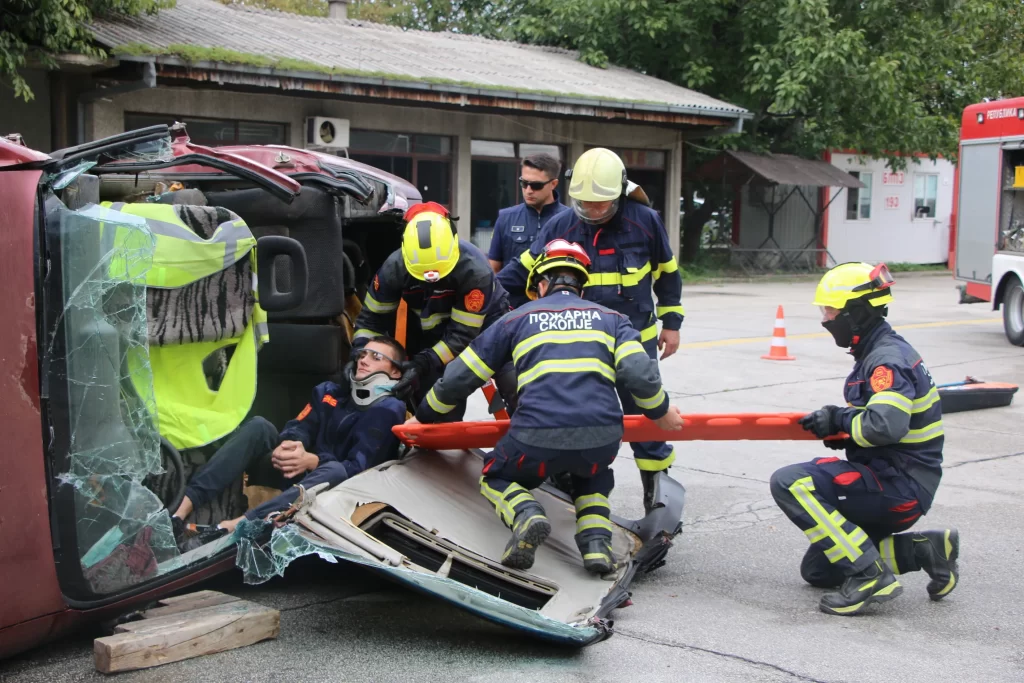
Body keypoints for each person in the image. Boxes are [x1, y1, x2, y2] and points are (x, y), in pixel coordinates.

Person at [410, 239, 684, 574]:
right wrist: (663, 413)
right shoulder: (613, 319)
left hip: (536, 434)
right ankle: (597, 547)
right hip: (602, 436)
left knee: (496, 476)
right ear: (581, 287)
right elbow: (640, 375)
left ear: (540, 284)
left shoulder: (516, 320)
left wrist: (422, 419)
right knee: (593, 476)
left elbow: (458, 378)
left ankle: (526, 514)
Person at [497, 148, 684, 512]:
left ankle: (657, 497)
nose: (592, 211)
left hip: (634, 345)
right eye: (584, 203)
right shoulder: (560, 226)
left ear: (617, 194)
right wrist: (479, 291)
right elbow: (522, 272)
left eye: (600, 204)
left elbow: (667, 273)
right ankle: (569, 496)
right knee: (571, 419)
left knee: (646, 419)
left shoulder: (645, 221)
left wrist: (672, 324)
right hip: (578, 347)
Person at [769, 262, 959, 616]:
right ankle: (927, 550)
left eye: (830, 310)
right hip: (898, 476)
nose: (825, 319)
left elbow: (886, 426)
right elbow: (885, 427)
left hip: (900, 485)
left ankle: (871, 576)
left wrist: (839, 419)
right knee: (819, 571)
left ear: (855, 312)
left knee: (789, 482)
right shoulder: (877, 351)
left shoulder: (886, 361)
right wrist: (844, 436)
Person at [172, 337, 408, 551]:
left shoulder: (388, 410)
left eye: (376, 357)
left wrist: (313, 461)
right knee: (260, 426)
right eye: (362, 355)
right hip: (297, 475)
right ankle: (178, 514)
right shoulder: (329, 392)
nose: (364, 360)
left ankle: (232, 527)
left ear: (395, 372)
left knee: (335, 470)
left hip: (332, 493)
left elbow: (359, 471)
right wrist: (291, 446)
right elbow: (299, 425)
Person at [353, 201, 517, 419]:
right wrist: (359, 356)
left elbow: (462, 336)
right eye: (423, 277)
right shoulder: (394, 268)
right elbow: (371, 321)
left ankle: (528, 437)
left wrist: (422, 363)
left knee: (515, 382)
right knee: (435, 405)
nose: (433, 284)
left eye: (440, 274)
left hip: (485, 323)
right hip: (428, 330)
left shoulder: (475, 271)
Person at [486, 153, 571, 274]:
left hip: (553, 292)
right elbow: (494, 268)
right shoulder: (505, 218)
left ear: (553, 184)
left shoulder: (570, 220)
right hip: (512, 292)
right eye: (524, 183)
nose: (528, 191)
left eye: (536, 185)